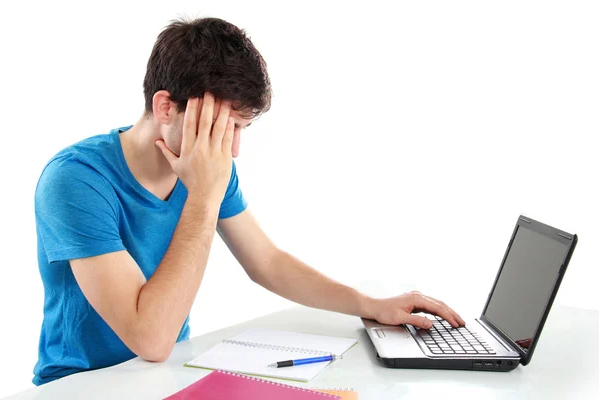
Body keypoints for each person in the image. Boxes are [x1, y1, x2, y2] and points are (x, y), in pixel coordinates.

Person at [33, 17, 465, 385]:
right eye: (221, 127)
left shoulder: (207, 164)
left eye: (240, 130)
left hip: (158, 380)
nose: (232, 150)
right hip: (80, 387)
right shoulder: (74, 181)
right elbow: (150, 339)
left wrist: (369, 304)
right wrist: (203, 195)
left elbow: (267, 262)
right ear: (166, 106)